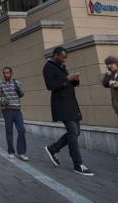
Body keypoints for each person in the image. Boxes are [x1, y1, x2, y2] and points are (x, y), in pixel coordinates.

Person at [43, 46, 94, 176]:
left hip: (71, 103)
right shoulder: (48, 67)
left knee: (76, 132)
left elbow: (66, 83)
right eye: (62, 57)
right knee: (72, 132)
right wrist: (67, 79)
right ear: (55, 55)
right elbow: (50, 86)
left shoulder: (61, 67)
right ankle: (78, 164)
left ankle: (53, 148)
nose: (64, 60)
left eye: (65, 58)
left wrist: (75, 80)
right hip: (61, 104)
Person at [0, 67, 28, 161]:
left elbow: (22, 94)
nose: (6, 75)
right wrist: (4, 101)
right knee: (9, 131)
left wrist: (18, 89)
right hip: (7, 110)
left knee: (21, 130)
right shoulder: (0, 83)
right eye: (4, 73)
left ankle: (21, 152)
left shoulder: (17, 82)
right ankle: (11, 151)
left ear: (11, 73)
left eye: (8, 73)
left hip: (17, 110)